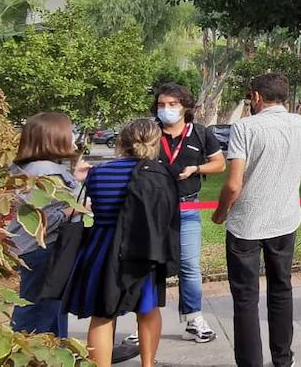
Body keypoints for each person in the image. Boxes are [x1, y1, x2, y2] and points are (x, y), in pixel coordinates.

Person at [65, 118, 180, 367]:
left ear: (121, 142)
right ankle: (148, 364)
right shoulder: (162, 175)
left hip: (102, 250)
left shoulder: (98, 174)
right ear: (156, 142)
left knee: (102, 313)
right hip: (146, 248)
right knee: (148, 310)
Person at [214, 74, 301, 366]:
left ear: (256, 97)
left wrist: (220, 214)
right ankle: (283, 359)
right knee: (281, 289)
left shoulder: (245, 127)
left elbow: (233, 184)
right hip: (285, 219)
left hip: (247, 224)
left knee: (245, 298)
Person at [151, 83, 222, 343]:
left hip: (187, 206)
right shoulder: (149, 132)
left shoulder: (200, 134)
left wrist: (195, 169)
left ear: (185, 107)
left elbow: (220, 164)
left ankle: (194, 318)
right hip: (153, 209)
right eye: (161, 105)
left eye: (172, 104)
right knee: (151, 264)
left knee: (190, 266)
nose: (166, 109)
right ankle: (144, 320)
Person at [9, 112, 83, 337]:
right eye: (70, 132)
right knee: (36, 317)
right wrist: (72, 209)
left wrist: (76, 180)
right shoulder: (46, 173)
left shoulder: (29, 169)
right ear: (54, 137)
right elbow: (43, 220)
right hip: (45, 252)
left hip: (34, 251)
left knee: (47, 313)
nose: (74, 137)